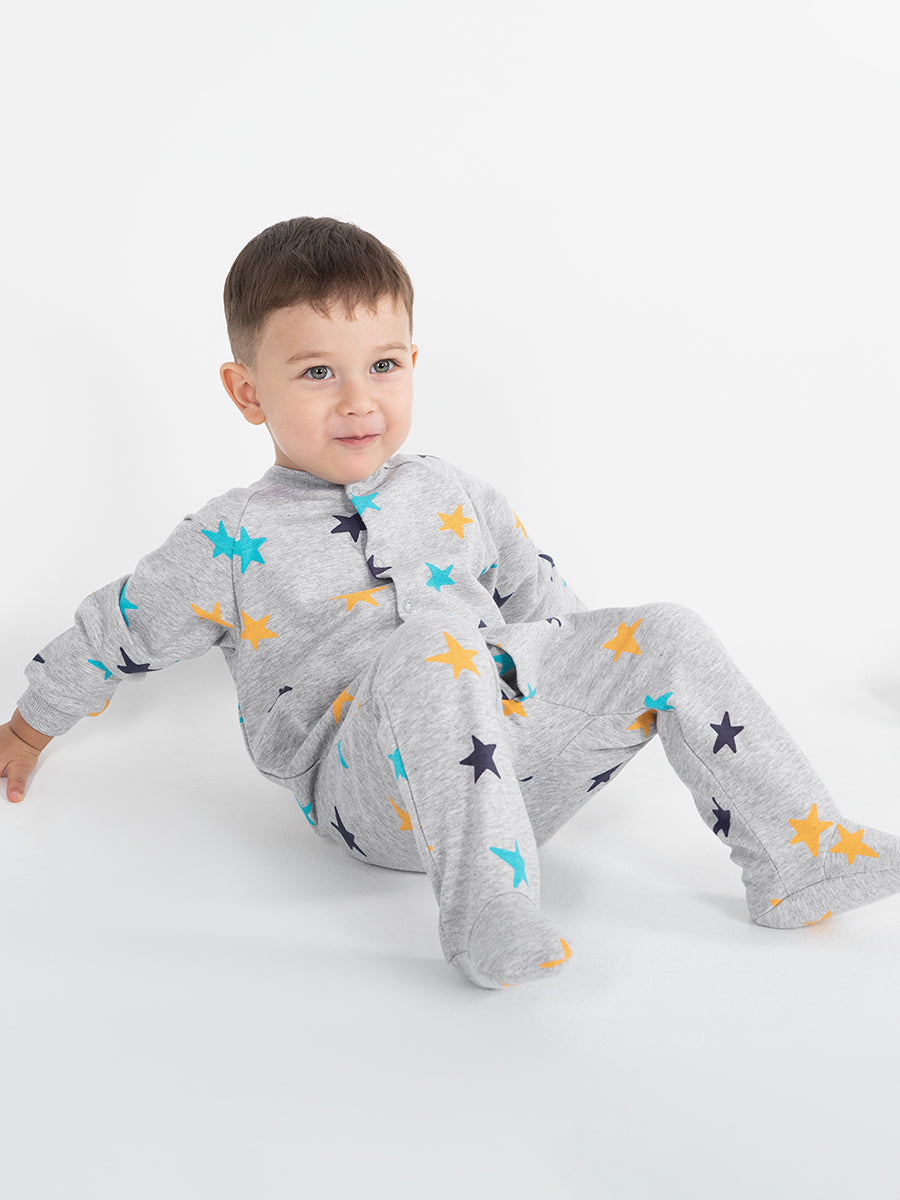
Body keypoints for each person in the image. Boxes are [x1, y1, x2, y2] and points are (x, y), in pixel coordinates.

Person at [3, 217, 898, 989]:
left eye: (382, 365)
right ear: (248, 392)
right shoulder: (227, 539)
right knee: (435, 646)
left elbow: (550, 611)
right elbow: (115, 628)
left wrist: (593, 682)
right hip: (373, 796)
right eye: (317, 374)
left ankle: (802, 857)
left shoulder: (453, 492)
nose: (359, 401)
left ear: (411, 364)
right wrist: (29, 729)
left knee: (664, 629)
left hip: (513, 762)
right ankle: (490, 916)